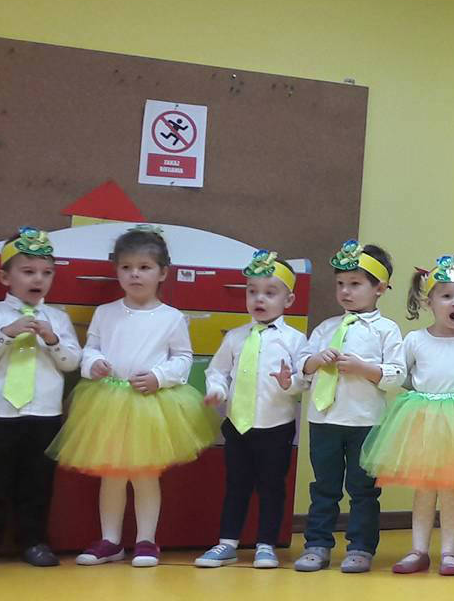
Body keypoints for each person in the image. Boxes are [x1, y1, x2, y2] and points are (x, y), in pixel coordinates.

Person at [50, 226, 217, 568]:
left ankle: (146, 541)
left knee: (145, 475)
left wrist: (159, 377)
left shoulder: (171, 318)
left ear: (163, 273)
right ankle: (110, 541)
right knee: (111, 474)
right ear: (117, 271)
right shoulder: (106, 312)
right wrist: (93, 363)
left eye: (144, 267)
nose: (134, 274)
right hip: (107, 401)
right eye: (126, 267)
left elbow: (183, 359)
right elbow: (91, 348)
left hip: (150, 405)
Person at [0, 228, 81, 568]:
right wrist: (5, 335)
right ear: (5, 277)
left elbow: (71, 362)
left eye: (47, 273)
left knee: (38, 482)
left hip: (43, 415)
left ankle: (34, 541)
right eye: (28, 271)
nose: (38, 279)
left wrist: (53, 341)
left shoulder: (58, 319)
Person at [371, 255, 454, 577]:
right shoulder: (415, 340)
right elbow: (402, 375)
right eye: (447, 296)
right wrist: (420, 394)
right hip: (422, 421)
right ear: (429, 301)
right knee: (424, 489)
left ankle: (449, 552)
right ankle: (418, 549)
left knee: (451, 489)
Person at [294, 240, 404, 574]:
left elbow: (397, 375)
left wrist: (363, 368)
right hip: (324, 420)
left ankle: (360, 547)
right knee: (323, 488)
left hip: (366, 422)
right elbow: (302, 369)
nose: (345, 291)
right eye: (340, 284)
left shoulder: (386, 330)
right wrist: (315, 361)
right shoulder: (326, 328)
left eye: (355, 284)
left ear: (379, 288)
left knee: (363, 490)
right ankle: (317, 544)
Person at [193, 251, 305, 570]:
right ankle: (227, 542)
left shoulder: (295, 340)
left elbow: (305, 379)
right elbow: (217, 371)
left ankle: (266, 544)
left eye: (270, 293)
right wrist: (217, 390)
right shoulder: (235, 337)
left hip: (276, 426)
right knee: (236, 485)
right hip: (237, 425)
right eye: (252, 291)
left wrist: (290, 382)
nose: (259, 299)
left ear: (288, 299)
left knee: (272, 487)